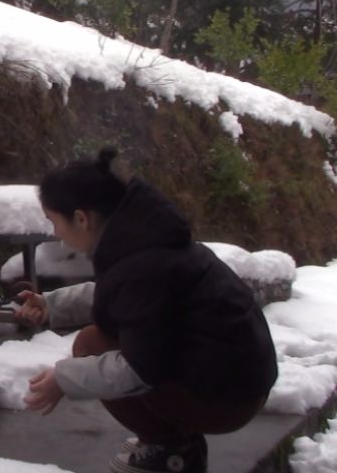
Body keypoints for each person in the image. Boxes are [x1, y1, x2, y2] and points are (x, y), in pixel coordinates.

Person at [16, 147, 277, 473]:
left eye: (54, 221)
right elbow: (123, 297)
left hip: (228, 399)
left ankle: (173, 449)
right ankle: (171, 437)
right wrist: (52, 304)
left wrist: (64, 379)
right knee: (96, 341)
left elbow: (139, 369)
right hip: (236, 380)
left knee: (90, 346)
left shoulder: (144, 264)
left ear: (82, 218)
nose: (55, 233)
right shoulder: (145, 241)